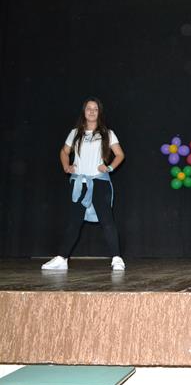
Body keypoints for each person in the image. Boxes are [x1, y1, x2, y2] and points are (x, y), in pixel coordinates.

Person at [42, 97, 126, 271]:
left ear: (99, 112)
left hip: (99, 181)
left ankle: (117, 258)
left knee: (107, 220)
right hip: (80, 183)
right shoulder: (75, 133)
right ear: (84, 111)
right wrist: (66, 166)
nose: (92, 111)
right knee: (74, 221)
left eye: (95, 109)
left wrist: (109, 167)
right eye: (89, 108)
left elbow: (120, 154)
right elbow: (64, 152)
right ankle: (62, 258)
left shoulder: (107, 133)